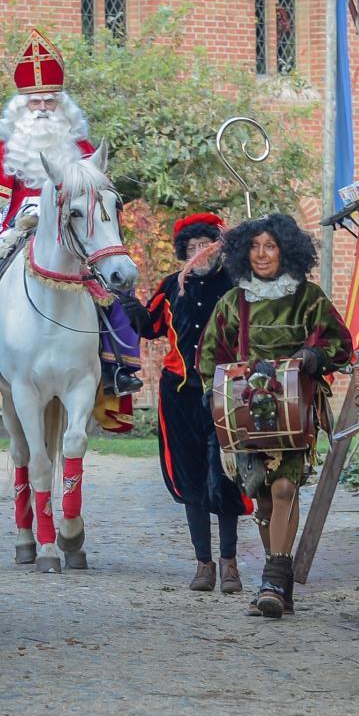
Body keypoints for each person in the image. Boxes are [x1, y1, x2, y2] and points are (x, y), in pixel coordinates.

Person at [0, 30, 140, 403]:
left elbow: (99, 203)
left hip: (75, 237)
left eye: (49, 101)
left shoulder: (84, 150)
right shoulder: (3, 153)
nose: (41, 108)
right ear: (20, 106)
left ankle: (117, 365)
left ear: (62, 105)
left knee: (118, 281)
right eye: (33, 100)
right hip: (15, 234)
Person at [199, 213, 352, 619]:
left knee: (285, 487)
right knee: (264, 499)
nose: (262, 254)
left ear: (285, 250)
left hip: (295, 412)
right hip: (247, 413)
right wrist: (214, 396)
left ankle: (271, 578)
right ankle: (279, 588)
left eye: (270, 246)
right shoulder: (233, 302)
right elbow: (210, 358)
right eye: (254, 246)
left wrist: (312, 357)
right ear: (243, 253)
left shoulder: (309, 297)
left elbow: (341, 345)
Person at [121, 212, 246, 593]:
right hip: (179, 393)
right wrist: (127, 306)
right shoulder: (172, 287)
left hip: (224, 390)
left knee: (226, 475)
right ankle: (203, 564)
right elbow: (151, 327)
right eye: (190, 248)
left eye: (203, 245)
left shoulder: (236, 284)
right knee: (191, 478)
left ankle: (229, 563)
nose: (198, 253)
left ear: (217, 246)